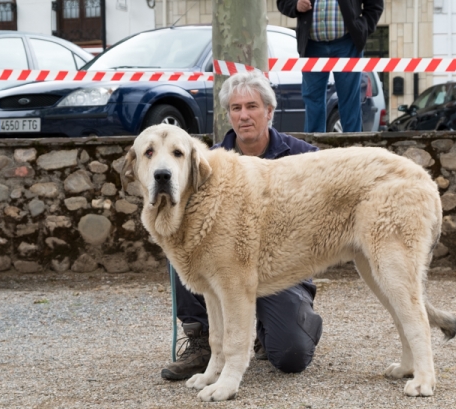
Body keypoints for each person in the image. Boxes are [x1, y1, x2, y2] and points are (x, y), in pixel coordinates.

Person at [161, 71, 323, 381]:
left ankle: (295, 324)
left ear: (269, 111)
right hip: (222, 269)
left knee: (291, 356)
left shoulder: (303, 158)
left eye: (252, 106)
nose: (244, 115)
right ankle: (201, 342)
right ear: (228, 115)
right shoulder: (205, 164)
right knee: (184, 246)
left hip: (279, 270)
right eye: (236, 108)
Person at [277, 0, 384, 132]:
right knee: (313, 100)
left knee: (350, 101)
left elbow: (375, 4)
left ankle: (352, 149)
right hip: (312, 46)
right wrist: (295, 5)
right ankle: (314, 148)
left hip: (347, 43)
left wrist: (363, 27)